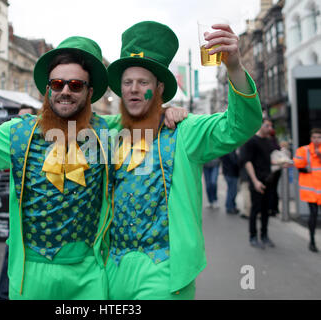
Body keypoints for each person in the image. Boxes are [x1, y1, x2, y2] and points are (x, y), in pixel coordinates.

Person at [0, 36, 119, 300]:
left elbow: (145, 119)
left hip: (88, 276)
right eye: (57, 83)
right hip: (31, 274)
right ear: (47, 89)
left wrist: (168, 113)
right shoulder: (19, 133)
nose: (65, 91)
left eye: (75, 85)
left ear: (89, 91)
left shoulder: (106, 134)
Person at [102, 20, 262, 300]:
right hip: (111, 268)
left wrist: (234, 67)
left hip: (164, 270)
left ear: (159, 88)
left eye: (143, 82)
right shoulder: (107, 131)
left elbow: (240, 125)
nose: (134, 89)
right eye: (128, 82)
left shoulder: (184, 130)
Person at [242, 119, 289, 249]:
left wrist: (282, 162)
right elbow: (247, 162)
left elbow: (272, 160)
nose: (270, 128)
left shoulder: (269, 142)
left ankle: (264, 235)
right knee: (255, 210)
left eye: (271, 125)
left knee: (265, 210)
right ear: (260, 125)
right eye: (267, 125)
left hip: (269, 180)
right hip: (257, 181)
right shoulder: (251, 141)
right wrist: (255, 181)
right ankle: (253, 236)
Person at [293, 128, 321, 253]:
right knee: (313, 215)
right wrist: (305, 169)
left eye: (319, 137)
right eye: (314, 137)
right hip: (310, 189)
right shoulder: (304, 150)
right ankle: (312, 241)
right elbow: (297, 164)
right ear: (311, 138)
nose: (316, 140)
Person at [221, 150, 240, 214]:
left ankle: (232, 206)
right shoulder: (230, 151)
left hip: (228, 172)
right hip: (231, 173)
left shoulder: (225, 149)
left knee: (231, 190)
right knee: (232, 191)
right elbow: (234, 161)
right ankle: (230, 207)